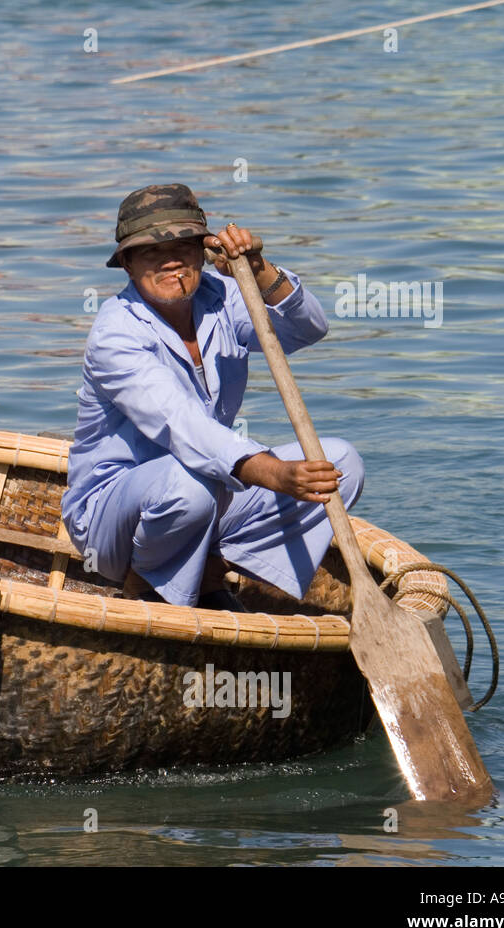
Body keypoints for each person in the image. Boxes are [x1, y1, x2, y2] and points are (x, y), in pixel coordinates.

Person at [60, 184, 365, 610]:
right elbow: (185, 426)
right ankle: (145, 579)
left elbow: (308, 328)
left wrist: (257, 268)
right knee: (189, 484)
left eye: (184, 247)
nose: (171, 261)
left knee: (340, 464)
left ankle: (210, 565)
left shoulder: (221, 298)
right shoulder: (116, 334)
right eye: (151, 251)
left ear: (203, 252)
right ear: (127, 263)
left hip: (206, 490)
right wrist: (275, 473)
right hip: (115, 519)